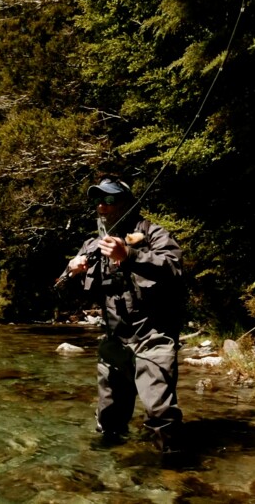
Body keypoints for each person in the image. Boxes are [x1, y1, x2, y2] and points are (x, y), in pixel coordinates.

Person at [61, 177, 185, 452]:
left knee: (160, 413)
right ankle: (110, 473)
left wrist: (129, 254)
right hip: (114, 342)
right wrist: (71, 271)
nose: (102, 207)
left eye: (109, 200)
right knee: (109, 418)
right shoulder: (91, 246)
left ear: (128, 204)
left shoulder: (153, 233)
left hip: (153, 337)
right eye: (97, 201)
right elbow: (59, 290)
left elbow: (174, 268)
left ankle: (175, 475)